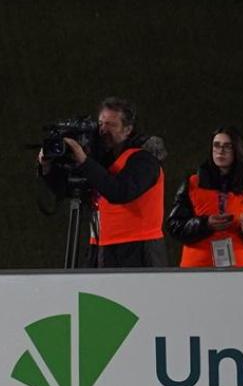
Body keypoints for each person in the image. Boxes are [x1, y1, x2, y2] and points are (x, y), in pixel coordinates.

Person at [38, 97, 166, 267]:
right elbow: (67, 190)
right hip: (101, 247)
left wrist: (84, 161)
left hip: (138, 250)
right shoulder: (102, 159)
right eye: (101, 124)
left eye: (111, 125)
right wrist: (47, 167)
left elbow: (119, 191)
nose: (103, 130)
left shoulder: (143, 159)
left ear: (128, 129)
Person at [165, 127, 243, 268]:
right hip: (198, 269)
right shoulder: (193, 183)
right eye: (216, 145)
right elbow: (175, 226)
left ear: (237, 150)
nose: (220, 151)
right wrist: (205, 224)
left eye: (227, 146)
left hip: (242, 271)